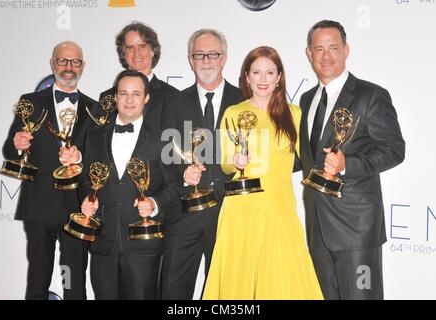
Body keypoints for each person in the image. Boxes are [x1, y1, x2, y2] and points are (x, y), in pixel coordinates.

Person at [202, 46, 323, 300]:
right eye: (256, 72)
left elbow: (309, 159)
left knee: (282, 280)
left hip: (279, 207)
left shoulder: (294, 113)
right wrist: (233, 161)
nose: (263, 79)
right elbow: (224, 163)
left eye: (270, 72)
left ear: (279, 76)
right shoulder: (233, 113)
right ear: (247, 76)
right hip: (241, 208)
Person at [298, 20, 405, 299]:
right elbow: (303, 157)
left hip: (356, 231)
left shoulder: (371, 95)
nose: (326, 56)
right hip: (317, 230)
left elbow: (394, 149)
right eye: (318, 48)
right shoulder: (306, 100)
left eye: (333, 47)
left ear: (346, 50)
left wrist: (348, 164)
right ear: (309, 53)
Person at [1, 41, 99, 299]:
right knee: (37, 282)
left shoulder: (95, 109)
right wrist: (17, 144)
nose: (69, 67)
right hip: (38, 205)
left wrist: (80, 156)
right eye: (62, 61)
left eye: (75, 62)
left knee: (74, 283)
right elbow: (10, 153)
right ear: (52, 63)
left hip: (76, 209)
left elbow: (100, 160)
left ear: (83, 66)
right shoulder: (30, 102)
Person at [80, 70, 180, 300]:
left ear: (146, 98)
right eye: (123, 93)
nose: (129, 100)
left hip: (143, 246)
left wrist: (154, 203)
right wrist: (87, 198)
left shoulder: (162, 138)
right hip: (103, 244)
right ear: (115, 97)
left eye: (136, 94)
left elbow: (175, 184)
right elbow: (87, 180)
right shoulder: (94, 135)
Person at [161, 29, 243, 299]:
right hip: (184, 210)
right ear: (190, 60)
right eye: (199, 54)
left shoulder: (245, 101)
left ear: (224, 59)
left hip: (229, 212)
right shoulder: (173, 103)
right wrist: (183, 171)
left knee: (226, 294)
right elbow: (164, 153)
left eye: (213, 54)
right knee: (173, 291)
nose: (206, 60)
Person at [99, 21, 178, 129]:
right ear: (124, 54)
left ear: (152, 51)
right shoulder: (108, 97)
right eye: (130, 47)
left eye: (142, 46)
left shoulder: (172, 96)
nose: (137, 53)